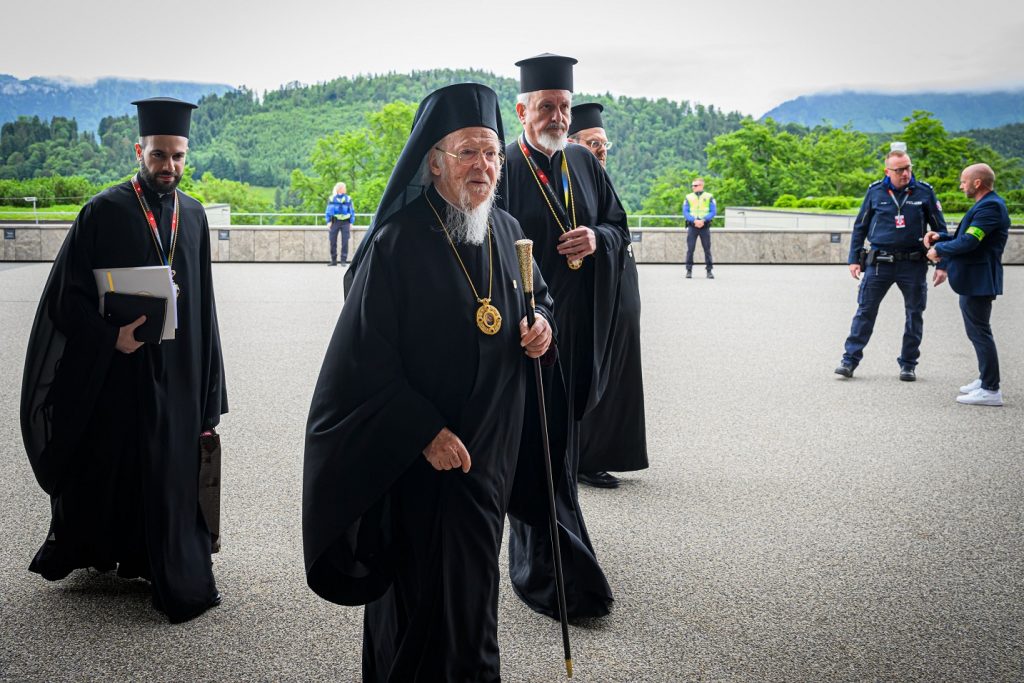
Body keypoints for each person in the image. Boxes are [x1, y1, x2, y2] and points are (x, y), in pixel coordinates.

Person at [303, 83, 558, 682]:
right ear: (435, 161)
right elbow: (360, 363)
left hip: (489, 457)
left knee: (472, 599)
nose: (484, 167)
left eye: (492, 153)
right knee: (421, 602)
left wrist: (543, 326)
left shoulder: (505, 228)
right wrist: (423, 431)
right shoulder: (396, 244)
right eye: (468, 152)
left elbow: (538, 297)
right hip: (424, 465)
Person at [20, 97, 228, 623]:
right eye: (160, 155)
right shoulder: (103, 212)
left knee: (170, 465)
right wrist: (110, 338)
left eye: (179, 157)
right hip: (119, 371)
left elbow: (204, 308)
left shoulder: (195, 216)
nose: (169, 167)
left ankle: (162, 559)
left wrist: (210, 390)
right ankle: (115, 550)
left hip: (178, 373)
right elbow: (65, 299)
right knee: (119, 460)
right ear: (140, 151)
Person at [500, 53, 628, 620]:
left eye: (565, 107)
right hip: (529, 335)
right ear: (523, 109)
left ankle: (562, 539)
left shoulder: (582, 159)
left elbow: (621, 227)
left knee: (564, 443)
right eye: (547, 107)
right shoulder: (502, 165)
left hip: (579, 331)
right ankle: (547, 568)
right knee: (538, 446)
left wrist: (596, 239)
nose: (558, 116)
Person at [568, 102, 649, 489]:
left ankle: (611, 452)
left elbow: (618, 228)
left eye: (604, 144)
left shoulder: (599, 176)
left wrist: (600, 237)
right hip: (589, 297)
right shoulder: (566, 180)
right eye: (592, 143)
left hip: (616, 292)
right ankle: (586, 457)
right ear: (572, 144)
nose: (600, 151)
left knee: (617, 378)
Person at [835, 148, 948, 381]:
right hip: (880, 263)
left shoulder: (924, 192)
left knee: (914, 314)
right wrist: (854, 259)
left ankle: (908, 364)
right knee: (865, 311)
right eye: (899, 170)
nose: (905, 173)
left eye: (908, 167)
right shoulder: (875, 191)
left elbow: (941, 230)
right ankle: (849, 360)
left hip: (913, 263)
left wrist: (942, 264)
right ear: (888, 171)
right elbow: (861, 227)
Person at [924, 163, 1009, 406]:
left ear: (977, 183)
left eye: (963, 181)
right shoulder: (986, 205)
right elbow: (968, 237)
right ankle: (985, 380)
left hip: (979, 280)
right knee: (977, 332)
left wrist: (938, 250)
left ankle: (991, 389)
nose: (961, 186)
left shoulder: (990, 207)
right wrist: (942, 237)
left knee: (980, 333)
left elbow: (970, 242)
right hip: (974, 280)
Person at [683, 177, 716, 278]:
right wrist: (694, 221)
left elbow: (713, 211)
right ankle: (689, 270)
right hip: (693, 226)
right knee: (690, 249)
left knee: (707, 249)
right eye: (692, 185)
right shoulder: (688, 197)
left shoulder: (709, 197)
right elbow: (685, 211)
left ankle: (709, 271)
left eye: (696, 185)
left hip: (704, 226)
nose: (693, 187)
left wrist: (703, 220)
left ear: (701, 186)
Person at [325, 182, 355, 265]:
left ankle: (343, 260)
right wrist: (328, 221)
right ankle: (333, 260)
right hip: (334, 222)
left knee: (345, 241)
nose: (345, 189)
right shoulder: (332, 198)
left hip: (345, 222)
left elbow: (352, 211)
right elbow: (328, 210)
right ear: (339, 189)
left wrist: (351, 222)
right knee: (332, 241)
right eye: (344, 188)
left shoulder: (348, 199)